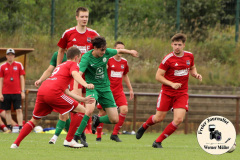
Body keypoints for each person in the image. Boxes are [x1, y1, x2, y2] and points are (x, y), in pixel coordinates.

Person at [10, 47, 95, 149]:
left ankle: (15, 144)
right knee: (82, 111)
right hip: (53, 92)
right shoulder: (73, 64)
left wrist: (82, 99)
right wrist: (85, 84)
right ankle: (69, 140)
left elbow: (66, 91)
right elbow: (75, 74)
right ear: (76, 57)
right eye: (79, 58)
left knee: (34, 120)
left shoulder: (61, 66)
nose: (79, 61)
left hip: (42, 91)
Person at [136, 33, 202, 148]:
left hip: (181, 93)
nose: (177, 47)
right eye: (175, 44)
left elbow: (192, 67)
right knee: (158, 118)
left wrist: (195, 74)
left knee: (178, 119)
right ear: (172, 45)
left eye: (179, 45)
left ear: (184, 45)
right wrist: (172, 84)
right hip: (167, 93)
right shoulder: (168, 59)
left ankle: (158, 141)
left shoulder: (189, 56)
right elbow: (158, 76)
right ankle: (145, 126)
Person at [70, 36, 138, 147]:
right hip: (93, 88)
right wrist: (80, 87)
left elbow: (119, 50)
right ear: (95, 48)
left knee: (115, 119)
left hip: (106, 89)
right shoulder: (86, 57)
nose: (104, 52)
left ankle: (97, 120)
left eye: (105, 49)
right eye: (102, 50)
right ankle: (76, 136)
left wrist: (130, 52)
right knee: (90, 109)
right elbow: (78, 74)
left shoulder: (106, 52)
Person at [57, 6, 99, 146]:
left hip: (89, 75)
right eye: (82, 16)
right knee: (76, 104)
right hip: (73, 74)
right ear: (77, 17)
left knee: (89, 104)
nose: (84, 19)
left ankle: (81, 132)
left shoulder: (93, 34)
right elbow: (61, 50)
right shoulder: (68, 33)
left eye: (86, 16)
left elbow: (99, 52)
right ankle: (79, 135)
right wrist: (59, 67)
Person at [96, 41, 134, 142]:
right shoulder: (108, 60)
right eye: (118, 48)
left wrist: (130, 89)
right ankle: (98, 136)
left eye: (122, 48)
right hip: (107, 91)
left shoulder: (124, 62)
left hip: (119, 91)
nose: (120, 50)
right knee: (103, 113)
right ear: (114, 49)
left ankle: (114, 134)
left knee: (124, 110)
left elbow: (125, 75)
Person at [35, 51, 73, 144]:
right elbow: (49, 70)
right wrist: (40, 79)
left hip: (69, 87)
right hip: (57, 87)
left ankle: (57, 138)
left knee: (65, 114)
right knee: (65, 114)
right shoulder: (57, 54)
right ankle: (72, 137)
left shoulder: (74, 54)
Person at [0, 48, 25, 132]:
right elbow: (1, 80)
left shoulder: (19, 65)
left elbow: (22, 78)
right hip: (6, 92)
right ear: (6, 56)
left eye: (12, 55)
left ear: (14, 56)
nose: (10, 56)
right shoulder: (2, 66)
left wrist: (22, 91)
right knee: (7, 110)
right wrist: (0, 93)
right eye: (8, 55)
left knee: (18, 109)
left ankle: (20, 127)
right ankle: (9, 127)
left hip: (16, 91)